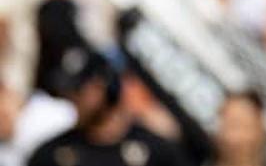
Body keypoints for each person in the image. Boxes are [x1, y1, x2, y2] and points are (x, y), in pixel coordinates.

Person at [27, 45, 191, 166]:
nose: (73, 99)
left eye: (79, 91)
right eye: (69, 92)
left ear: (103, 88)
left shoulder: (155, 150)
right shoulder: (54, 154)